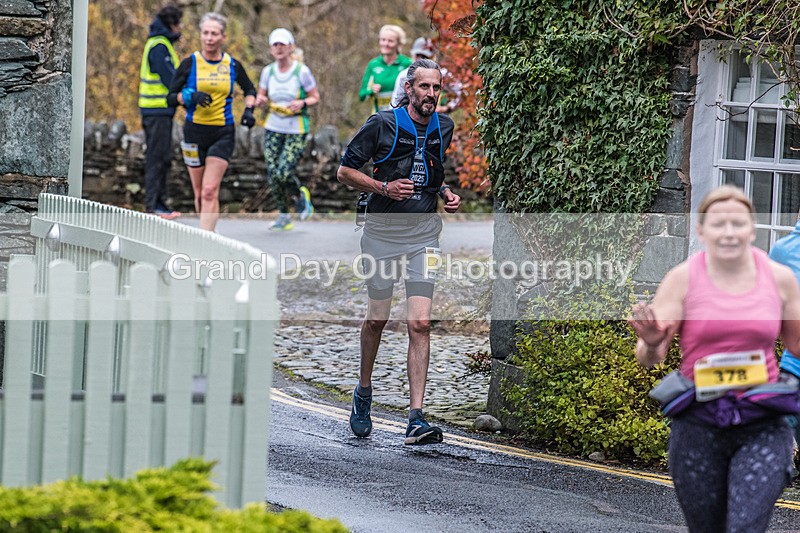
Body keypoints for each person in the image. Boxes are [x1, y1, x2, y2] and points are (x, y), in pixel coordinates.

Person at [629, 185, 800, 533]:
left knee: (745, 527)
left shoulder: (779, 279)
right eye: (718, 224)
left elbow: (797, 346)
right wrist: (651, 341)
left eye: (738, 223)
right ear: (702, 230)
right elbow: (650, 357)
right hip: (698, 425)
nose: (729, 232)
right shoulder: (682, 279)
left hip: (762, 425)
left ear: (751, 229)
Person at [338, 58, 461, 445]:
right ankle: (363, 391)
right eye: (424, 86)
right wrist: (383, 188)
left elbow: (432, 171)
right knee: (377, 319)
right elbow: (344, 171)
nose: (430, 94)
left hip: (424, 236)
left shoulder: (444, 127)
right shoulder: (382, 124)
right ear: (409, 89)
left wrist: (445, 193)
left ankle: (415, 418)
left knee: (420, 323)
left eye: (436, 87)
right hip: (381, 235)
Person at [167, 12, 257, 232]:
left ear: (223, 37)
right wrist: (189, 97)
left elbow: (250, 90)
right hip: (193, 133)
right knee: (199, 192)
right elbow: (170, 97)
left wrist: (249, 110)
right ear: (200, 35)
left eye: (214, 34)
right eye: (205, 33)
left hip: (222, 132)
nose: (209, 38)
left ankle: (207, 237)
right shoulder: (190, 63)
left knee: (209, 190)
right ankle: (206, 233)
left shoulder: (232, 65)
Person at [255, 28, 320, 231]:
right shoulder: (268, 72)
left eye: (282, 44)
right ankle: (284, 215)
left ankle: (299, 196)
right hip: (273, 126)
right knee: (273, 173)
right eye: (275, 44)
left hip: (296, 127)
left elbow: (315, 97)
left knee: (283, 172)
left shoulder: (301, 71)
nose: (279, 48)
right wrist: (260, 100)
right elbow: (261, 95)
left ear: (291, 47)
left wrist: (302, 103)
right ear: (271, 49)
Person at [139, 4, 183, 219]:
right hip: (156, 111)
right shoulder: (159, 46)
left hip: (160, 112)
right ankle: (154, 205)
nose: (181, 28)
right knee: (157, 158)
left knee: (162, 157)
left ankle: (160, 204)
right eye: (179, 23)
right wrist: (187, 96)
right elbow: (171, 80)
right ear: (171, 24)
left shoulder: (160, 44)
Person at [390, 38, 461, 113]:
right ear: (413, 55)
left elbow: (462, 92)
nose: (420, 60)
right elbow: (396, 102)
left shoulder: (443, 74)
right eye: (418, 55)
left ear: (433, 57)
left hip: (437, 117)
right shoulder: (405, 76)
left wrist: (447, 108)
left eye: (425, 57)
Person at [358, 25, 411, 114]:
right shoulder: (373, 64)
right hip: (380, 116)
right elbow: (362, 96)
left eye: (390, 41)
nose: (386, 44)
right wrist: (371, 91)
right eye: (383, 40)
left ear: (398, 44)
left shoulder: (407, 63)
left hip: (401, 115)